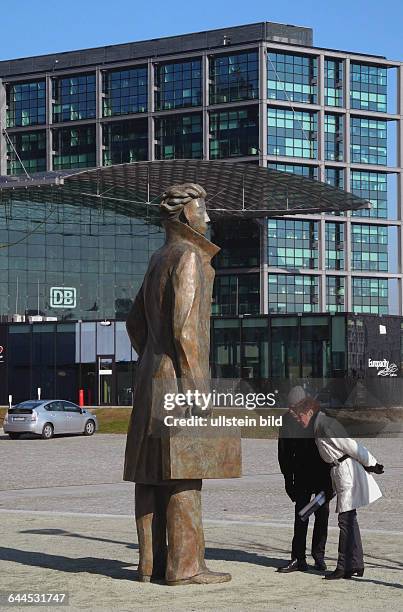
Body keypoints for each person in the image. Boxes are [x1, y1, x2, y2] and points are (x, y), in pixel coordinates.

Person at [123, 183, 235, 586]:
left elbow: (134, 322)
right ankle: (185, 567)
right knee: (186, 472)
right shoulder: (189, 257)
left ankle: (150, 564)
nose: (208, 218)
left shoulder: (159, 258)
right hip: (177, 380)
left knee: (151, 474)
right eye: (203, 210)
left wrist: (151, 356)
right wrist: (196, 386)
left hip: (150, 375)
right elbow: (186, 329)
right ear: (187, 215)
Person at [291, 397, 384, 580]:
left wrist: (372, 462)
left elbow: (350, 445)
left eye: (300, 416)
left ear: (309, 413)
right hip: (340, 471)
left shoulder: (325, 425)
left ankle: (344, 566)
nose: (299, 420)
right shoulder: (320, 424)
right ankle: (356, 563)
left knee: (345, 520)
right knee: (350, 520)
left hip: (346, 472)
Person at [277, 386, 333, 573]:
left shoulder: (319, 417)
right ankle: (298, 558)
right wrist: (287, 478)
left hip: (321, 475)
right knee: (301, 514)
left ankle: (319, 556)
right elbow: (283, 451)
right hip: (300, 475)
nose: (292, 412)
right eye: (290, 408)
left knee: (321, 513)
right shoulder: (286, 420)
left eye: (295, 408)